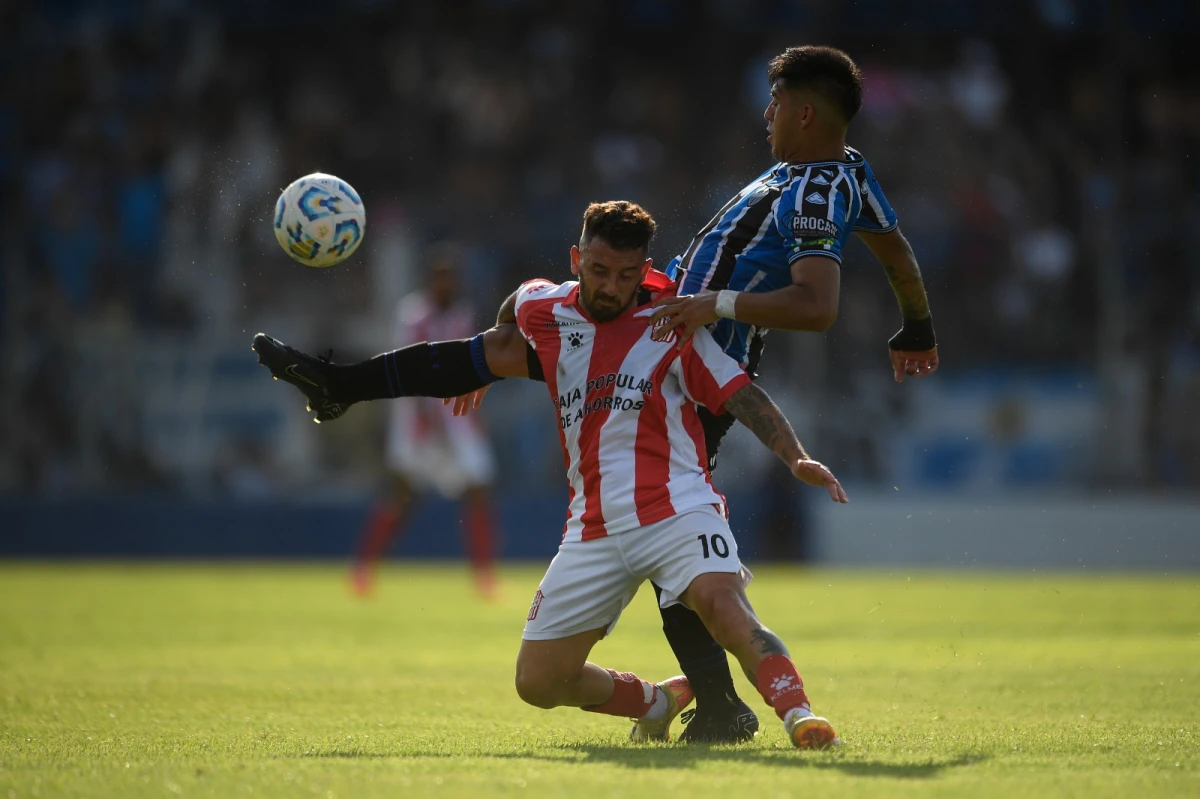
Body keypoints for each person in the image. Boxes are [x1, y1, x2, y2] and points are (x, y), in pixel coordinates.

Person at [255, 45, 941, 744]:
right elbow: (896, 250)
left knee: (667, 534)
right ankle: (340, 384)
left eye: (777, 104)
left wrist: (715, 307)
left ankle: (720, 704)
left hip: (683, 347)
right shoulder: (840, 172)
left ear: (805, 113)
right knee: (497, 354)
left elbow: (817, 305)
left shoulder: (816, 190)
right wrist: (916, 326)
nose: (766, 115)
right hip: (649, 318)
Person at [256, 201, 850, 749]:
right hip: (593, 528)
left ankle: (799, 714)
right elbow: (515, 307)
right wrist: (486, 371)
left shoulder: (670, 322)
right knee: (538, 682)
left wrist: (794, 455)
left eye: (626, 275)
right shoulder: (548, 310)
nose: (611, 286)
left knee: (724, 607)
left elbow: (742, 395)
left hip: (678, 511)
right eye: (599, 271)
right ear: (576, 260)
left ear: (643, 270)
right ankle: (656, 702)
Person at [353, 245, 498, 597]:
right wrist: (423, 414)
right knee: (403, 498)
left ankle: (484, 577)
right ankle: (365, 568)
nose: (447, 286)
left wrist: (476, 418)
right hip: (419, 426)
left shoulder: (462, 314)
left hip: (458, 422)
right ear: (431, 282)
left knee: (479, 491)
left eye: (451, 279)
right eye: (441, 279)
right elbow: (407, 366)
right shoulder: (413, 316)